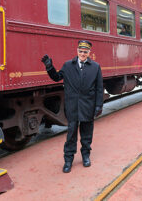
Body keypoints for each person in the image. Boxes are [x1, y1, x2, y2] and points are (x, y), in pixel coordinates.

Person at [41, 40, 103, 173]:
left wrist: (98, 105)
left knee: (87, 133)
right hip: (72, 106)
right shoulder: (68, 65)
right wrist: (49, 67)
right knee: (71, 133)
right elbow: (57, 77)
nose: (82, 54)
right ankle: (68, 160)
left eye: (85, 52)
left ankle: (86, 155)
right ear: (77, 51)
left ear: (89, 53)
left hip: (88, 105)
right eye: (80, 51)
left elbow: (99, 88)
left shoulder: (96, 67)